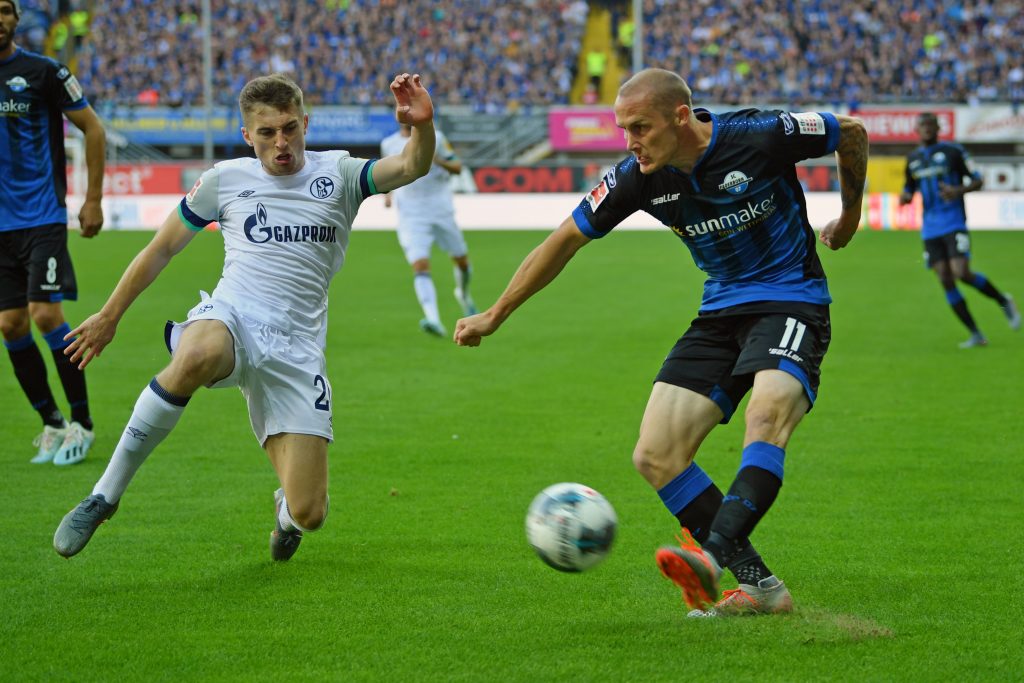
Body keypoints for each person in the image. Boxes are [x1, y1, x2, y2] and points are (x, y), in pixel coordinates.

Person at [455, 69, 868, 617]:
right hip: (720, 313)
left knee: (766, 420)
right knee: (656, 455)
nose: (631, 142)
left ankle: (712, 560)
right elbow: (563, 240)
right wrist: (494, 313)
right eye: (623, 129)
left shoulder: (763, 133)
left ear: (680, 116)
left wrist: (849, 217)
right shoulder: (637, 177)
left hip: (792, 300)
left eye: (641, 127)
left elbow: (853, 133)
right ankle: (763, 590)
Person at [52, 72, 436, 561]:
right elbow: (161, 248)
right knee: (199, 351)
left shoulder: (339, 174)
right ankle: (104, 496)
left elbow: (410, 166)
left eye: (290, 128)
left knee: (310, 511)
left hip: (297, 348)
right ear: (246, 135)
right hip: (231, 317)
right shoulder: (224, 180)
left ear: (305, 124)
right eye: (267, 132)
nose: (281, 143)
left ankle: (284, 514)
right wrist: (110, 315)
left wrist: (422, 126)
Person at [0, 0, 106, 466]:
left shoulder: (45, 72)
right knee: (9, 324)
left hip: (41, 217)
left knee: (45, 315)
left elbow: (93, 129)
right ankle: (52, 422)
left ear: (16, 20)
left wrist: (93, 199)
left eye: (4, 10)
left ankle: (82, 422)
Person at [899, 112, 1020, 347]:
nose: (925, 129)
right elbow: (909, 187)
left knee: (961, 272)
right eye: (921, 125)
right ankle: (976, 334)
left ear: (937, 128)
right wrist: (905, 196)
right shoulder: (913, 158)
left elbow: (978, 180)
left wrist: (957, 191)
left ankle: (1003, 300)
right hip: (930, 228)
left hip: (954, 222)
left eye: (929, 125)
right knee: (945, 278)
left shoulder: (954, 152)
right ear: (916, 129)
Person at [380, 122, 476, 337]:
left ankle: (464, 295)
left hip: (440, 210)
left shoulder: (437, 138)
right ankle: (433, 318)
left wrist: (436, 159)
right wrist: (387, 194)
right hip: (411, 215)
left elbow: (457, 167)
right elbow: (390, 173)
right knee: (420, 264)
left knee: (461, 261)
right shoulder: (389, 144)